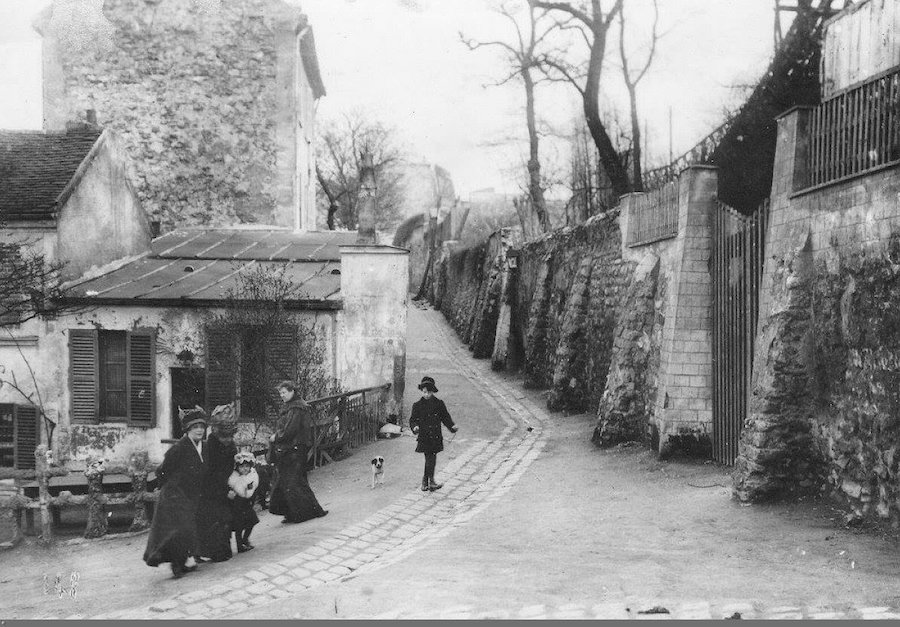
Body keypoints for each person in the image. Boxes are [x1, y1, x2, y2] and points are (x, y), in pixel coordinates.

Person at [143, 408, 209, 579]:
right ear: (187, 430)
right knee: (181, 528)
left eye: (202, 427)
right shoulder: (179, 447)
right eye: (195, 427)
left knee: (186, 528)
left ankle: (182, 560)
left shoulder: (203, 447)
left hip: (190, 494)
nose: (199, 430)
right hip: (174, 494)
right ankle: (176, 564)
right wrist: (167, 488)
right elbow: (162, 470)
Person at [268, 381, 328, 523]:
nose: (282, 395)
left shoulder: (296, 408)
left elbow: (290, 430)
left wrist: (276, 437)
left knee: (294, 482)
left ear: (292, 391)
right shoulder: (292, 406)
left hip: (294, 450)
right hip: (290, 450)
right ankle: (292, 513)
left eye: (284, 392)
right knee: (288, 482)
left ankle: (303, 513)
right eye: (280, 393)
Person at [196, 404, 238, 562]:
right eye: (224, 436)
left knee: (224, 519)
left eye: (229, 436)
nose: (227, 440)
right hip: (210, 488)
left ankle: (220, 550)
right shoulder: (210, 445)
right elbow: (210, 471)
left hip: (225, 486)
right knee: (212, 519)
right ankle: (209, 551)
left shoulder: (231, 446)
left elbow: (230, 467)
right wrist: (222, 488)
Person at [409, 376, 458, 492]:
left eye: (429, 392)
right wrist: (415, 427)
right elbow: (412, 419)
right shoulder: (417, 405)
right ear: (422, 391)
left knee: (432, 458)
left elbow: (445, 417)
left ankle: (427, 482)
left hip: (435, 436)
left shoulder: (439, 404)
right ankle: (429, 481)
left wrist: (452, 426)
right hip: (424, 436)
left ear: (433, 391)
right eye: (425, 392)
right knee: (430, 458)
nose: (427, 395)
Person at [227, 451, 260, 553]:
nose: (244, 469)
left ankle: (245, 539)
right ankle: (239, 545)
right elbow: (233, 488)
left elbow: (251, 490)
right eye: (241, 467)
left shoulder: (251, 477)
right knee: (238, 527)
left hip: (247, 505)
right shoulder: (234, 478)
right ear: (237, 468)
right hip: (237, 506)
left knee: (252, 521)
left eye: (247, 466)